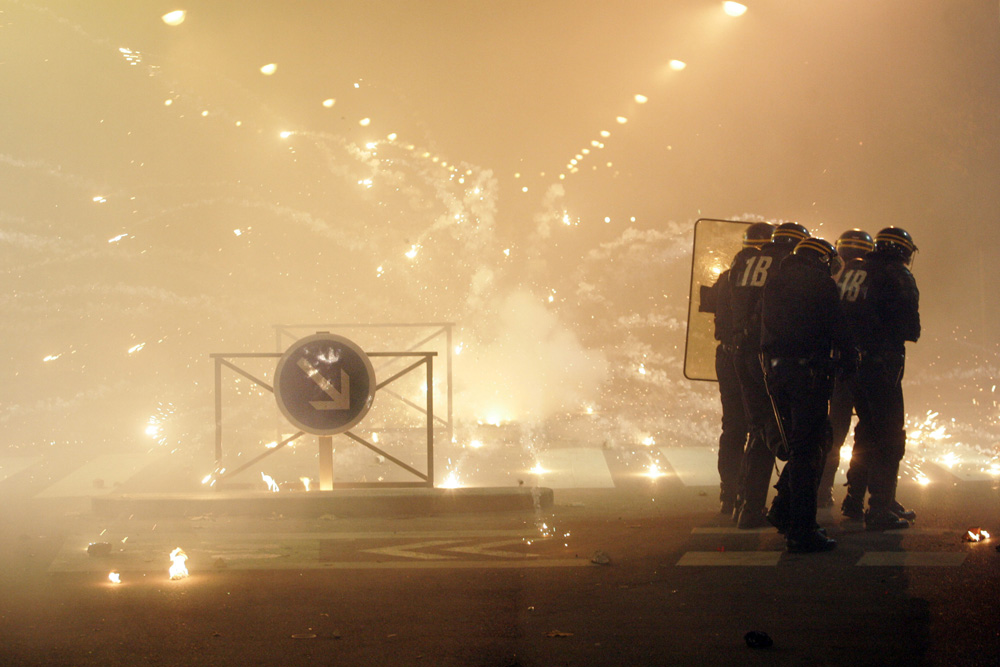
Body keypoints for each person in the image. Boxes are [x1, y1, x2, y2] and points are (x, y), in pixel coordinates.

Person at [760, 238, 853, 552]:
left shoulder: (774, 283)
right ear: (823, 260)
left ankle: (785, 510)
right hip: (809, 376)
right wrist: (849, 362)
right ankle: (801, 529)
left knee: (808, 444)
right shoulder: (822, 284)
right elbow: (838, 329)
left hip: (777, 374)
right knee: (809, 448)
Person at [841, 227, 920, 530]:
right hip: (881, 365)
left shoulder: (855, 271)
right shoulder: (897, 275)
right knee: (889, 437)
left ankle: (854, 497)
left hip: (852, 365)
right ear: (901, 251)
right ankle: (879, 508)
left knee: (866, 431)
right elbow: (910, 329)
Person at [728, 221, 807, 528]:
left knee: (757, 427)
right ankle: (769, 507)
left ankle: (745, 504)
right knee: (780, 431)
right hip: (768, 354)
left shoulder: (742, 259)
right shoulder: (787, 263)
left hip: (740, 352)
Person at [702, 225, 772, 514]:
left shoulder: (727, 277)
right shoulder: (771, 278)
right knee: (758, 426)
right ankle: (747, 494)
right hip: (755, 360)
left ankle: (728, 494)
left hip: (727, 357)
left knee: (733, 426)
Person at [817, 229, 875, 511]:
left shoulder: (831, 277)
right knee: (869, 433)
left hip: (837, 364)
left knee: (834, 431)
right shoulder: (876, 276)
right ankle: (856, 496)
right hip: (867, 365)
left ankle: (822, 489)